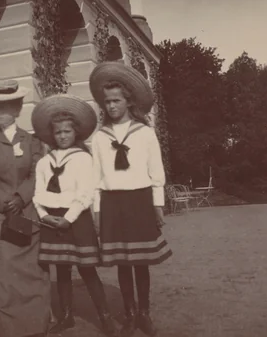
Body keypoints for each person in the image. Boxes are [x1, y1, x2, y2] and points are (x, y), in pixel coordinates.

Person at [89, 62, 173, 337]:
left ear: (128, 101)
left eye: (116, 100)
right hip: (112, 203)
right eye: (107, 102)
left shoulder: (144, 133)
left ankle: (144, 313)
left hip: (140, 201)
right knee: (122, 262)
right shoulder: (100, 138)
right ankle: (130, 314)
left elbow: (156, 172)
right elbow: (96, 177)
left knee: (140, 261)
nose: (112, 106)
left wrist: (157, 204)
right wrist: (97, 211)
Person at [29, 94, 118, 336]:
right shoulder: (44, 162)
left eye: (67, 131)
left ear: (75, 133)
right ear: (52, 135)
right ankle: (66, 316)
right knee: (62, 269)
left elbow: (86, 193)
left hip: (76, 219)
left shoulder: (83, 159)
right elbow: (37, 193)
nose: (63, 136)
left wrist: (68, 218)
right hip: (50, 219)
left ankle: (105, 316)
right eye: (58, 132)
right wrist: (43, 215)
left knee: (87, 269)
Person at [0, 80, 51, 337]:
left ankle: (34, 327)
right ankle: (5, 330)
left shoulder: (31, 141)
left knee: (33, 271)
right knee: (5, 270)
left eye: (5, 106)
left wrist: (21, 197)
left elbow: (37, 173)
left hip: (26, 214)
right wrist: (5, 202)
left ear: (17, 109)